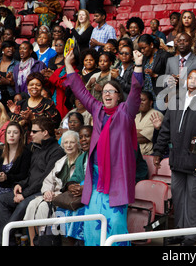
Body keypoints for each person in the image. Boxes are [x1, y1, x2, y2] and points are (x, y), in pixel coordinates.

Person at [63, 46, 144, 246]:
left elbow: (135, 90)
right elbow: (80, 90)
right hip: (96, 176)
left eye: (112, 91)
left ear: (119, 96)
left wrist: (139, 65)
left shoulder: (126, 112)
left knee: (115, 223)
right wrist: (67, 64)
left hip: (118, 176)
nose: (107, 94)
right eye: (105, 91)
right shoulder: (97, 109)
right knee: (92, 223)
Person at [152, 67, 196, 246]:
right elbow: (165, 129)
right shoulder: (176, 99)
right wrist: (158, 151)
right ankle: (180, 232)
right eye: (189, 77)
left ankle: (191, 235)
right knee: (179, 197)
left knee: (193, 198)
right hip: (177, 159)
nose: (191, 81)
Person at [0, 117, 65, 246]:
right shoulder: (37, 149)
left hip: (42, 192)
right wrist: (20, 185)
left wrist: (24, 194)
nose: (30, 134)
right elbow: (31, 175)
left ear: (45, 133)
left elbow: (44, 179)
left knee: (22, 205)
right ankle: (8, 241)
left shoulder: (56, 151)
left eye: (34, 131)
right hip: (29, 190)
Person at [23, 130, 81, 246]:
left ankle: (45, 242)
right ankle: (33, 243)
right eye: (66, 142)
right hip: (54, 195)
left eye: (72, 142)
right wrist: (47, 191)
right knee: (32, 205)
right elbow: (48, 180)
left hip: (67, 197)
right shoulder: (61, 161)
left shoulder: (82, 160)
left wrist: (56, 195)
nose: (68, 145)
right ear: (62, 145)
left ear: (78, 144)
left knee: (43, 207)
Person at [0, 122, 31, 246]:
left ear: (20, 136)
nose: (11, 135)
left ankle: (4, 240)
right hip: (0, 187)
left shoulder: (25, 152)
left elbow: (24, 176)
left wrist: (7, 177)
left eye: (15, 133)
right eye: (9, 133)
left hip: (14, 189)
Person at [57, 125, 92, 245]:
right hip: (81, 195)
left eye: (87, 136)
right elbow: (75, 177)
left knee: (78, 212)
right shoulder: (82, 157)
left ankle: (78, 242)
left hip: (94, 195)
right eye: (81, 137)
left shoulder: (100, 155)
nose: (83, 140)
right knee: (61, 209)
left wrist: (85, 189)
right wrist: (71, 185)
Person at [138, 34, 170, 100]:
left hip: (159, 96)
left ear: (151, 45)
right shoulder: (145, 58)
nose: (142, 51)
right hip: (146, 97)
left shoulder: (164, 56)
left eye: (144, 48)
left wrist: (155, 75)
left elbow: (171, 77)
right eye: (140, 49)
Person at [135, 91, 163, 156]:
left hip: (149, 156)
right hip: (135, 155)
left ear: (150, 102)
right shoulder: (135, 117)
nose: (140, 102)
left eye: (143, 100)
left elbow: (143, 138)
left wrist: (130, 133)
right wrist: (141, 131)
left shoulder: (156, 115)